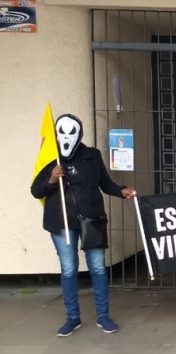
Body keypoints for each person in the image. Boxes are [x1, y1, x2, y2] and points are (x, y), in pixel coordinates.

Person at [31, 113, 136, 337]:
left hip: (92, 220)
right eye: (62, 132)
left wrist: (121, 191)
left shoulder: (92, 155)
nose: (66, 137)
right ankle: (72, 318)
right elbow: (35, 191)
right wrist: (50, 180)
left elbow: (105, 183)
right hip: (61, 224)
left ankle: (103, 316)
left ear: (79, 133)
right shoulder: (51, 157)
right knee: (69, 270)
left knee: (98, 268)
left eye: (71, 132)